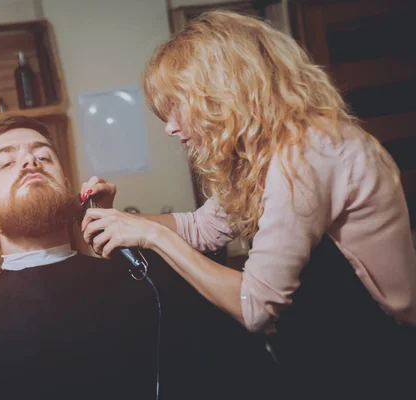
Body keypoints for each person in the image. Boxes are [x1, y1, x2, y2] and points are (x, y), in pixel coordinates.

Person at [81, 10, 416, 394]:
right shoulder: (264, 154)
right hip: (326, 358)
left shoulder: (309, 152)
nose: (170, 127)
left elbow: (255, 307)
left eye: (177, 105)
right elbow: (203, 228)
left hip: (379, 360)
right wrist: (119, 220)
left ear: (223, 91)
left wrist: (153, 237)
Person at [0, 116, 279, 400]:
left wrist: (129, 243)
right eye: (6, 163)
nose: (29, 164)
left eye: (43, 157)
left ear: (72, 190)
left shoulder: (153, 290)